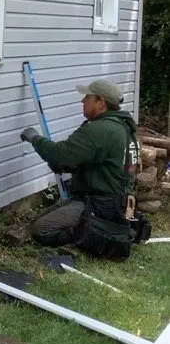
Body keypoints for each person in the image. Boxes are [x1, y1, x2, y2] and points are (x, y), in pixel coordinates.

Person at [20, 79, 140, 257]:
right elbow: (108, 168)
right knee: (37, 221)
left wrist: (34, 138)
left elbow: (58, 153)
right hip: (116, 202)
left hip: (102, 205)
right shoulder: (121, 127)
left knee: (42, 229)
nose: (82, 101)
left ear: (101, 102)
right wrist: (70, 168)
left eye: (87, 97)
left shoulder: (102, 130)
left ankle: (90, 232)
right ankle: (97, 226)